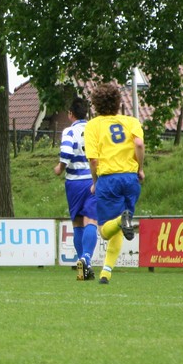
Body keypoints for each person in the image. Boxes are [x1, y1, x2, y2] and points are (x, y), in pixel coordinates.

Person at [84, 85, 145, 285]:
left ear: (95, 105)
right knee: (119, 228)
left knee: (104, 230)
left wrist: (95, 183)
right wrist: (140, 169)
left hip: (108, 180)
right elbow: (139, 144)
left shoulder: (93, 126)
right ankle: (106, 273)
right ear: (118, 103)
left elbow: (94, 160)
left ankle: (121, 220)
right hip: (130, 179)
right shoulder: (131, 121)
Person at [54, 96, 98, 281]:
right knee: (91, 221)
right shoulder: (94, 129)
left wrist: (60, 167)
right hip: (93, 180)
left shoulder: (69, 131)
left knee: (78, 223)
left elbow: (66, 152)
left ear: (70, 114)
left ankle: (82, 264)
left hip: (74, 183)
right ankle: (86, 259)